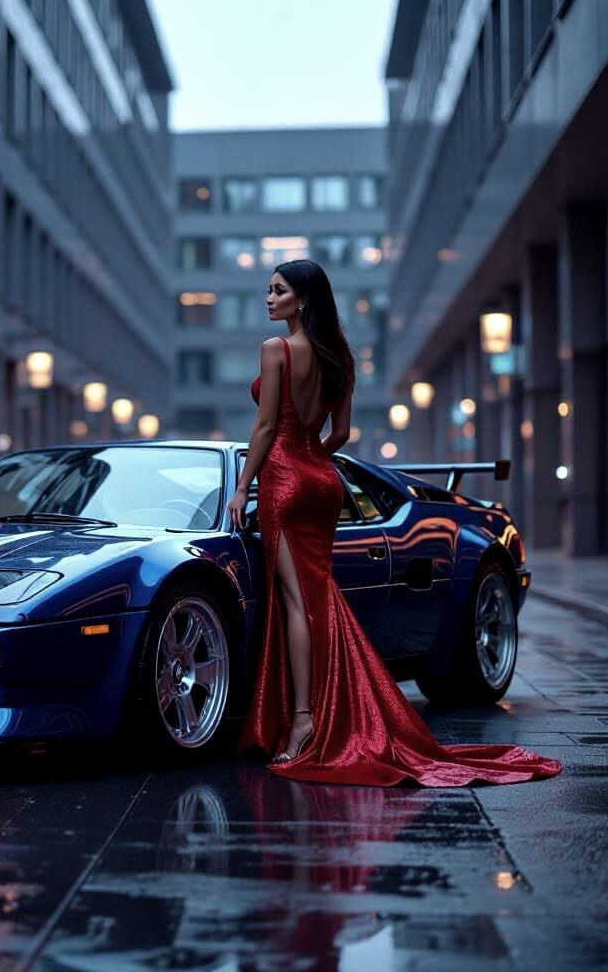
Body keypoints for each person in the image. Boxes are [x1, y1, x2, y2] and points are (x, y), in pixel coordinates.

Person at [225, 259, 561, 787]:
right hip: (323, 480)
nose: (268, 299)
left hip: (285, 482)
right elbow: (342, 433)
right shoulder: (338, 359)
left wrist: (244, 486)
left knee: (295, 602)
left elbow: (265, 424)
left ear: (304, 299)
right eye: (268, 290)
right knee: (318, 600)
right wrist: (313, 457)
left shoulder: (276, 352)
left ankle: (306, 723)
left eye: (278, 291)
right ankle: (321, 710)